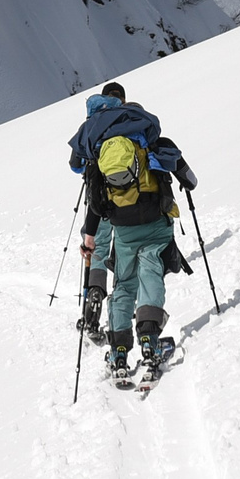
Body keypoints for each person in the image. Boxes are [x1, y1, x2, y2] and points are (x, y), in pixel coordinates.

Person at [75, 90, 197, 378]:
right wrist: (182, 182)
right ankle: (149, 340)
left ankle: (118, 351)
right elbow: (191, 179)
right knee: (151, 277)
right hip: (156, 225)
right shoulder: (154, 143)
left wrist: (90, 236)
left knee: (125, 285)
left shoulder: (100, 151)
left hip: (123, 230)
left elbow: (95, 200)